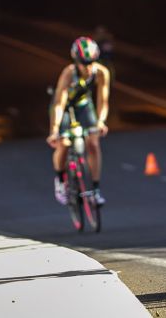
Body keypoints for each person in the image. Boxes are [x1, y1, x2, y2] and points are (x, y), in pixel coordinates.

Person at [47, 37, 111, 206]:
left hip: (83, 104)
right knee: (65, 143)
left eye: (92, 62)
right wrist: (54, 130)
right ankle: (60, 181)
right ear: (76, 62)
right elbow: (59, 104)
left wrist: (101, 122)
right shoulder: (69, 73)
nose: (89, 67)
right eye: (84, 63)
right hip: (65, 107)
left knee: (93, 143)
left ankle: (95, 190)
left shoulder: (102, 72)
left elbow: (102, 101)